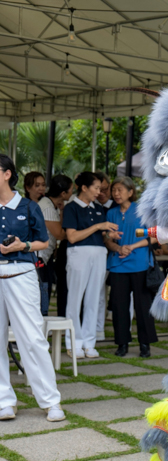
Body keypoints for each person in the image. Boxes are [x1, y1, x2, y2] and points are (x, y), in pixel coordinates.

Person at [0, 154, 65, 422]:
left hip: (22, 272)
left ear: (6, 174)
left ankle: (51, 401)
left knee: (32, 338)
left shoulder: (28, 207)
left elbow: (41, 241)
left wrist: (22, 246)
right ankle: (4, 400)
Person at [62, 172, 119, 359]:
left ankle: (89, 342)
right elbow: (72, 236)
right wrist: (97, 227)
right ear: (84, 188)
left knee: (94, 298)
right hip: (79, 253)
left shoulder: (98, 208)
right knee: (75, 298)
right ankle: (73, 342)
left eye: (101, 188)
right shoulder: (71, 208)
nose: (99, 192)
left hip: (99, 253)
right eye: (95, 188)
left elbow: (101, 235)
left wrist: (109, 235)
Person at [103, 177, 158, 358]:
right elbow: (107, 240)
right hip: (118, 264)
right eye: (114, 190)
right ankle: (122, 343)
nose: (116, 194)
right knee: (119, 307)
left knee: (143, 306)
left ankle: (145, 344)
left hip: (140, 263)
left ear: (130, 192)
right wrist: (117, 246)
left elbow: (154, 237)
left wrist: (131, 247)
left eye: (120, 190)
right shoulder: (111, 213)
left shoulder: (142, 211)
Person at [37, 175, 74, 316]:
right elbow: (60, 234)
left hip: (45, 255)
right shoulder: (46, 207)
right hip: (39, 256)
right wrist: (76, 232)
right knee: (43, 289)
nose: (73, 193)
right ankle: (42, 321)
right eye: (71, 190)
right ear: (63, 194)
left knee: (45, 287)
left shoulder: (52, 205)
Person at [93, 172, 114, 341]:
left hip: (117, 255)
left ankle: (123, 329)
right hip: (98, 254)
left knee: (122, 294)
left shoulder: (117, 206)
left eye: (105, 189)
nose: (101, 193)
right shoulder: (90, 206)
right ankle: (97, 329)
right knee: (97, 293)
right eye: (98, 189)